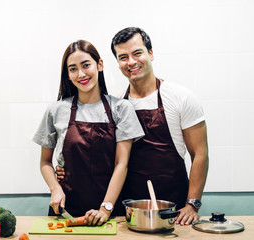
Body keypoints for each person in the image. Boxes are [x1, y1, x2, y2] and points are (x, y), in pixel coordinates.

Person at [57, 28, 209, 226]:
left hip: (174, 209)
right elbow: (107, 156)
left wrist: (192, 205)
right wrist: (66, 167)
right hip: (126, 211)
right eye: (123, 57)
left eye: (137, 53)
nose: (131, 62)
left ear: (151, 53)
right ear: (117, 63)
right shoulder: (116, 104)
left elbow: (200, 154)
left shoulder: (182, 98)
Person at [33, 40, 144, 226]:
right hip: (66, 212)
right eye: (73, 69)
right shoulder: (56, 110)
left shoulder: (121, 108)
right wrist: (55, 189)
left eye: (86, 65)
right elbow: (45, 162)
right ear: (67, 75)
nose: (81, 74)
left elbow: (121, 164)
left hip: (109, 212)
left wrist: (105, 208)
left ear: (99, 65)